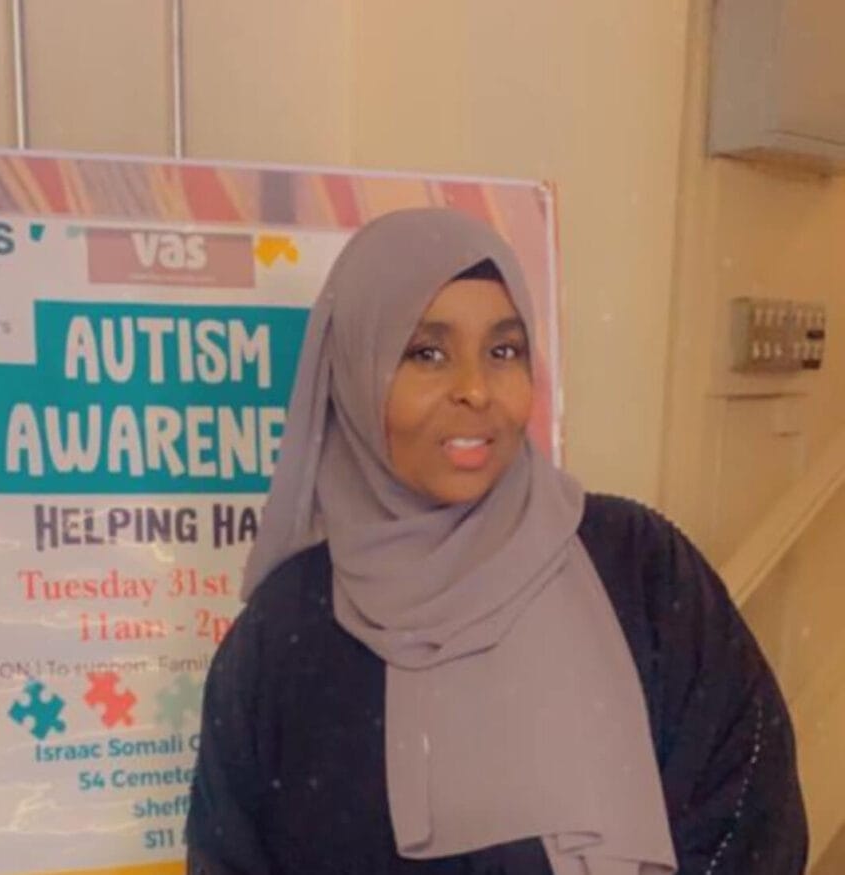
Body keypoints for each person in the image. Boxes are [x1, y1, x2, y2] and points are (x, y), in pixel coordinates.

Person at [186, 208, 808, 874]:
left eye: (503, 350)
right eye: (427, 353)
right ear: (356, 373)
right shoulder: (285, 635)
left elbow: (749, 803)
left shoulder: (638, 565)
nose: (476, 390)